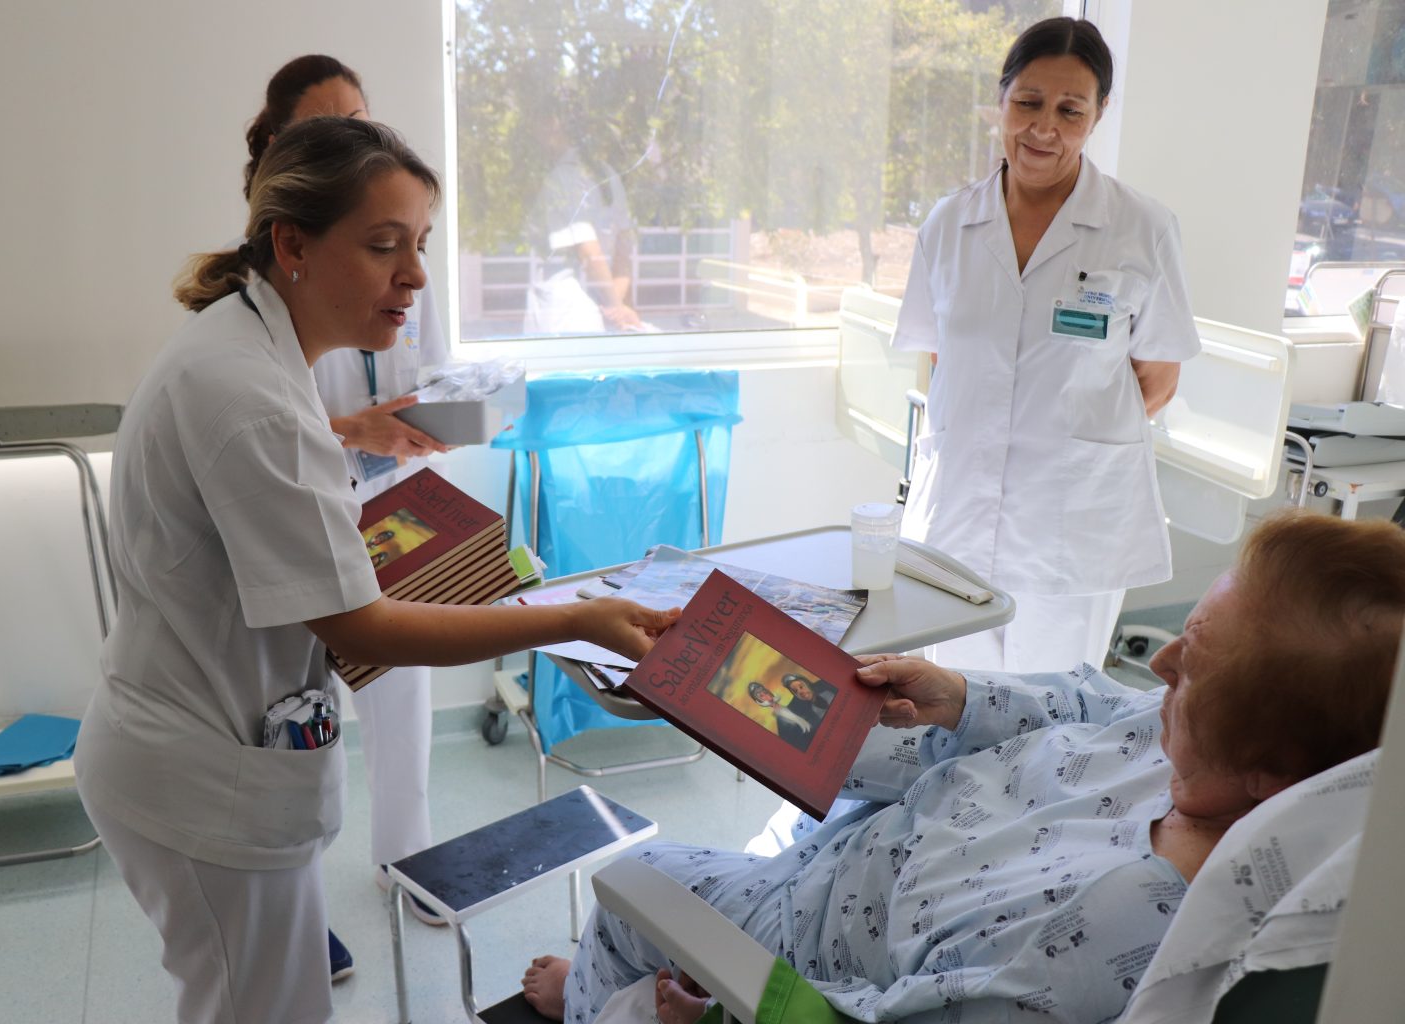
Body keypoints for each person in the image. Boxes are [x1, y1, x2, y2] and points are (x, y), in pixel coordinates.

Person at [73, 117, 677, 1024]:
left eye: (421, 245)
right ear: (293, 245)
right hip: (199, 776)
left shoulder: (250, 349)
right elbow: (360, 625)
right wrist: (571, 618)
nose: (416, 276)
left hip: (205, 745)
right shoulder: (249, 394)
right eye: (384, 245)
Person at [519, 509, 1405, 1023]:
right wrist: (960, 695)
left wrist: (724, 1013)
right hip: (888, 828)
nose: (1162, 660)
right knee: (779, 718)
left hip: (814, 934)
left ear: (1269, 772)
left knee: (635, 889)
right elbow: (1095, 701)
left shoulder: (1108, 933)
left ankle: (590, 1000)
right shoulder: (1190, 745)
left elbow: (894, 1018)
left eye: (1195, 665)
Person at [893, 17, 1201, 673]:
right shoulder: (948, 225)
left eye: (1070, 110)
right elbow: (944, 360)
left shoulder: (1141, 229)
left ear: (1099, 114)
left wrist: (1061, 442)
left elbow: (1157, 380)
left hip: (1073, 524)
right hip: (958, 515)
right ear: (1001, 100)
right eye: (1028, 103)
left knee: (1057, 713)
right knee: (947, 699)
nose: (1043, 128)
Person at [244, 54, 457, 937]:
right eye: (324, 127)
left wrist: (446, 414)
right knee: (301, 713)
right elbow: (260, 430)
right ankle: (295, 906)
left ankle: (409, 861)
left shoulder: (399, 257)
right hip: (302, 509)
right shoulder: (271, 278)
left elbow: (432, 371)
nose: (352, 140)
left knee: (404, 699)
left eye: (362, 121)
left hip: (395, 507)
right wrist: (351, 432)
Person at [523, 110, 644, 335]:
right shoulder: (609, 175)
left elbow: (589, 252)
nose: (534, 136)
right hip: (595, 311)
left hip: (567, 314)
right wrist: (616, 306)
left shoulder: (563, 178)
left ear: (553, 124)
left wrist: (615, 307)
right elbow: (623, 249)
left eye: (535, 126)